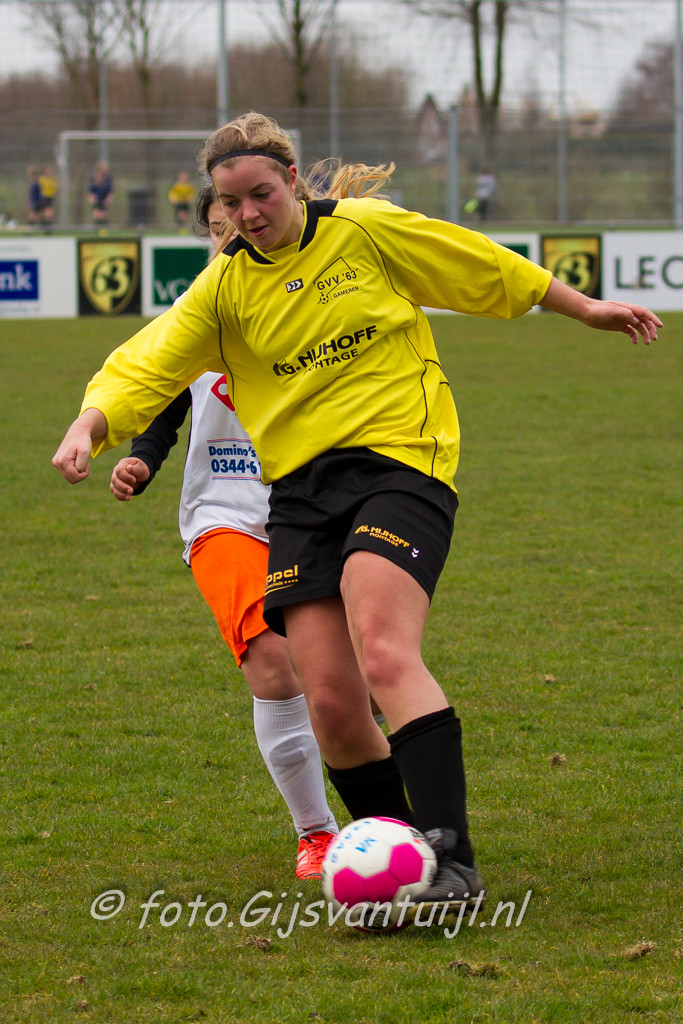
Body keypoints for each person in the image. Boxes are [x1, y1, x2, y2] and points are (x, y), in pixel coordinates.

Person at [53, 112, 661, 921]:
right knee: (333, 704)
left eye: (261, 194)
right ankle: (400, 861)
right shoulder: (224, 287)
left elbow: (475, 263)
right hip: (300, 494)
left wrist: (581, 307)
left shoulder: (363, 231)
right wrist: (90, 423)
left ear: (292, 180)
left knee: (382, 652)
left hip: (398, 462)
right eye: (230, 203)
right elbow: (148, 363)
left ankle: (451, 861)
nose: (247, 215)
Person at [109, 186, 338, 879]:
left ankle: (389, 812)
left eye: (236, 224)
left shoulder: (315, 302)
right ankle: (317, 834)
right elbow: (161, 405)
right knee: (272, 662)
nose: (229, 238)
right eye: (216, 229)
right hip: (223, 515)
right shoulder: (194, 315)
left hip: (311, 508)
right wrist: (141, 459)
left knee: (341, 676)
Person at [88, 161, 113, 226]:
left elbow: (110, 190)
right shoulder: (93, 177)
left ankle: (104, 228)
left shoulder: (107, 178)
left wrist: (108, 199)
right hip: (96, 199)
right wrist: (92, 198)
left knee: (104, 215)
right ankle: (96, 228)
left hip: (104, 200)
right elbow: (90, 191)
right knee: (97, 214)